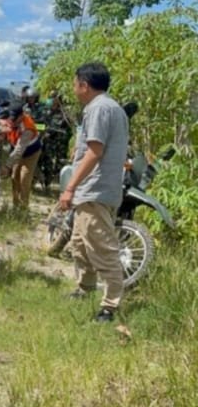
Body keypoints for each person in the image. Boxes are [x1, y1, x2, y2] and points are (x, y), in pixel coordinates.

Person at [59, 62, 128, 322]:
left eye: (75, 84)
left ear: (84, 85)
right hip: (96, 190)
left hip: (94, 190)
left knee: (102, 248)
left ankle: (110, 305)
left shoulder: (98, 108)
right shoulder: (112, 107)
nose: (74, 89)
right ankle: (84, 287)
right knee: (80, 244)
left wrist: (70, 187)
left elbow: (95, 152)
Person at [0, 102, 41, 211]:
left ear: (21, 116)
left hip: (31, 153)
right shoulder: (9, 119)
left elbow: (19, 150)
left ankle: (23, 209)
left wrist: (7, 166)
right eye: (11, 118)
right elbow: (2, 130)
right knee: (14, 177)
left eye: (15, 119)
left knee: (24, 178)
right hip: (17, 151)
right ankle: (15, 205)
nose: (12, 121)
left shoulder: (27, 128)